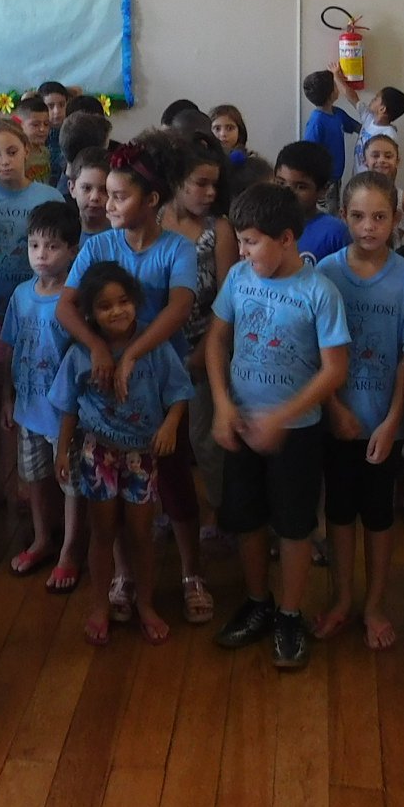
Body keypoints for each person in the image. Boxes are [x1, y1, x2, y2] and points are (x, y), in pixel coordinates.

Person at [57, 133, 203, 625]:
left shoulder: (177, 249)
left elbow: (179, 309)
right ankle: (122, 577)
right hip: (106, 389)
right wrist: (99, 348)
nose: (107, 204)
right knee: (112, 497)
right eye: (105, 194)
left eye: (119, 196)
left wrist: (133, 354)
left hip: (160, 385)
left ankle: (190, 572)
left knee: (176, 480)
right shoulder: (98, 245)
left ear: (152, 200)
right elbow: (66, 307)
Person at [207, 182, 351, 670]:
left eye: (251, 242)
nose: (242, 252)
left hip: (298, 432)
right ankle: (258, 602)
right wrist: (222, 405)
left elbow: (334, 369)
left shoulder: (319, 292)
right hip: (242, 422)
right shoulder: (239, 278)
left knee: (293, 525)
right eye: (240, 241)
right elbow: (217, 340)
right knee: (246, 518)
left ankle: (289, 613)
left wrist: (283, 417)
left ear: (287, 238)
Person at [313, 172, 404, 648]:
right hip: (337, 420)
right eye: (358, 216)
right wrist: (334, 407)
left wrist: (393, 419)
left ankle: (375, 603)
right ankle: (342, 597)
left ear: (396, 219)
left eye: (379, 217)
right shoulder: (326, 272)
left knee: (379, 515)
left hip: (385, 422)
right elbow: (316, 352)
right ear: (343, 216)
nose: (368, 227)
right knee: (340, 511)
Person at [53, 262, 194, 646]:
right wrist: (63, 451)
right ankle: (100, 604)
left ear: (136, 301)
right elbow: (68, 406)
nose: (117, 311)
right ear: (89, 313)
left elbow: (179, 393)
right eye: (105, 306)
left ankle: (145, 604)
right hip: (98, 452)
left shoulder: (154, 345)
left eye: (124, 301)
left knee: (141, 533)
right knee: (102, 532)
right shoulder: (81, 353)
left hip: (142, 454)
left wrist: (170, 426)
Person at [0, 119, 66, 514]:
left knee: (37, 392)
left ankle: (37, 484)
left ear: (26, 151)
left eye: (11, 152)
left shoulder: (48, 196)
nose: (4, 161)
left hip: (37, 308)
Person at [159, 132, 237, 546]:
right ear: (177, 182)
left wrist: (204, 350)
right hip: (158, 348)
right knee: (161, 438)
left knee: (205, 439)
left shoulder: (218, 229)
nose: (209, 193)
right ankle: (168, 509)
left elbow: (226, 298)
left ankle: (220, 511)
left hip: (205, 346)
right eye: (200, 184)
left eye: (214, 185)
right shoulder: (155, 221)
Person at [2, 202, 81, 591]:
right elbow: (11, 348)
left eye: (52, 247)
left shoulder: (74, 299)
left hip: (65, 414)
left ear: (72, 250)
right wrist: (7, 398)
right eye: (34, 246)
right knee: (34, 477)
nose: (41, 255)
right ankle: (42, 537)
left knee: (70, 482)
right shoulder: (21, 294)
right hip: (28, 408)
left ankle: (69, 549)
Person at [273, 141, 347, 264]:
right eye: (280, 183)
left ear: (323, 190)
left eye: (300, 187)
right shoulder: (263, 224)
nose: (287, 192)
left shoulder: (334, 233)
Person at [302, 65, 364, 182]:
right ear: (331, 94)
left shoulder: (338, 113)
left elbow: (358, 128)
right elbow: (308, 153)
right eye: (336, 85)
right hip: (323, 179)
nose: (338, 88)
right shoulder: (316, 122)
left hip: (337, 176)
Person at [344, 84, 404, 180]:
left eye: (375, 99)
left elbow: (391, 166)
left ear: (382, 109)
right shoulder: (369, 118)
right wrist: (335, 76)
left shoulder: (389, 135)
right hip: (357, 178)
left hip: (371, 181)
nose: (372, 100)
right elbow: (352, 97)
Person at [209, 104, 272, 195]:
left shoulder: (249, 160)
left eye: (229, 128)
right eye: (217, 129)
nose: (223, 134)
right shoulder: (205, 160)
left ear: (240, 131)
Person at [67, 146, 112, 245]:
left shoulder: (122, 237)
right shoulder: (61, 234)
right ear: (72, 188)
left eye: (104, 190)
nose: (94, 197)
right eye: (86, 188)